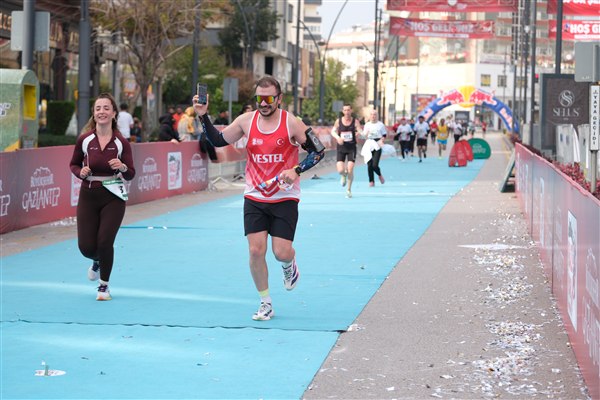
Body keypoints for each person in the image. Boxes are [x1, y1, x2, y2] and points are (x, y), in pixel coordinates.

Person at [192, 75, 325, 321]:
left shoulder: (291, 123)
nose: (263, 103)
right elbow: (218, 140)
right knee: (256, 250)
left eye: (269, 99)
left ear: (279, 98)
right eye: (259, 99)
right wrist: (203, 116)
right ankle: (265, 302)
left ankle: (289, 264)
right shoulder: (246, 120)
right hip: (255, 195)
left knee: (281, 252)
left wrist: (296, 170)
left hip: (284, 197)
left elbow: (318, 152)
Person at [69, 93, 136, 301]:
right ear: (94, 113)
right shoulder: (85, 139)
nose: (102, 112)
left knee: (105, 241)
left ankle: (104, 286)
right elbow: (73, 164)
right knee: (86, 247)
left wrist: (122, 167)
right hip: (88, 195)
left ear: (114, 113)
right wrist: (80, 172)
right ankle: (97, 261)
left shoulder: (121, 142)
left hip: (113, 196)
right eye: (98, 108)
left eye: (106, 108)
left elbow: (130, 173)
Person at [330, 103, 362, 198]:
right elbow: (332, 131)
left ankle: (348, 190)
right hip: (341, 147)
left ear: (351, 111)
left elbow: (360, 130)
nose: (347, 112)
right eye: (345, 110)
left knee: (350, 169)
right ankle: (343, 175)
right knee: (340, 170)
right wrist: (338, 138)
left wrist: (360, 133)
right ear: (342, 111)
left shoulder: (355, 121)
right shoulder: (338, 121)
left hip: (351, 147)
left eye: (348, 110)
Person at [361, 109, 387, 187]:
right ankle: (371, 181)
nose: (373, 116)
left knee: (374, 165)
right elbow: (364, 135)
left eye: (375, 114)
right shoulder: (367, 125)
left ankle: (379, 175)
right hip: (369, 143)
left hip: (377, 143)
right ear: (369, 116)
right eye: (371, 114)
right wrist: (363, 134)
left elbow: (384, 134)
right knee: (369, 164)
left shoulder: (380, 124)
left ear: (377, 116)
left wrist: (382, 139)